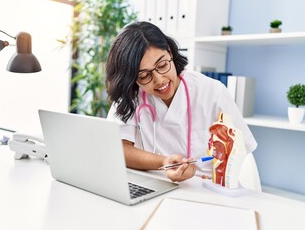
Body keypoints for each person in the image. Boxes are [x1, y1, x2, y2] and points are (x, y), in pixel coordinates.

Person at [105, 21, 257, 182]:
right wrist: (164, 163)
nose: (159, 79)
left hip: (204, 187)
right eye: (144, 76)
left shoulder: (212, 91)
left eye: (162, 65)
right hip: (152, 183)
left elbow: (241, 148)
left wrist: (218, 179)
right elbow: (118, 149)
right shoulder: (131, 93)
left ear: (170, 52)